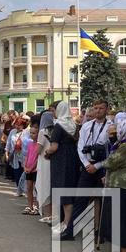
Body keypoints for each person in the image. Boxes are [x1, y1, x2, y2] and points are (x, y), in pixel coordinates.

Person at [72, 100, 112, 240]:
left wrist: (97, 166)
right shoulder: (87, 126)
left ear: (107, 110)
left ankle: (100, 232)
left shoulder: (111, 127)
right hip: (87, 165)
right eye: (95, 108)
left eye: (101, 108)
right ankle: (71, 229)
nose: (98, 111)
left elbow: (112, 152)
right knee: (80, 198)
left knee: (102, 200)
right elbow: (80, 146)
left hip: (102, 168)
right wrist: (87, 163)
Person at [46, 101, 80, 240]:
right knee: (69, 190)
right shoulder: (73, 125)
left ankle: (66, 224)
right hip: (72, 159)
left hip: (61, 161)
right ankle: (67, 222)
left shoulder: (58, 126)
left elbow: (54, 147)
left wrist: (47, 152)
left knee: (63, 191)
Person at [104, 118, 126, 252]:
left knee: (123, 221)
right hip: (121, 186)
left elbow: (110, 162)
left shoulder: (125, 146)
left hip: (122, 186)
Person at [36, 111, 54, 223]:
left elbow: (38, 149)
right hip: (53, 162)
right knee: (51, 187)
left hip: (44, 161)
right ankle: (53, 214)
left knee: (44, 187)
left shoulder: (43, 131)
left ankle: (48, 214)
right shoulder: (55, 131)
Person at [23, 126, 39, 215]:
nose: (32, 135)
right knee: (29, 188)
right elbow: (27, 156)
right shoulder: (30, 144)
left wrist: (31, 168)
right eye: (31, 133)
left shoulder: (39, 145)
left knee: (36, 189)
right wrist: (25, 166)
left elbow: (37, 158)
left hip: (35, 169)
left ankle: (36, 206)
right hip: (28, 168)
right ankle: (30, 205)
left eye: (34, 133)